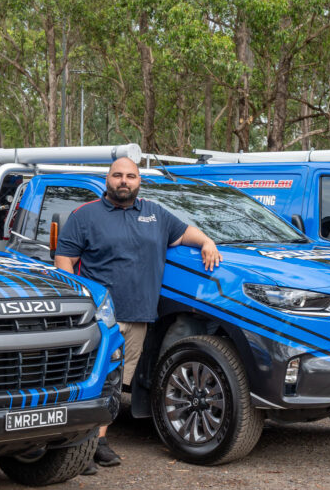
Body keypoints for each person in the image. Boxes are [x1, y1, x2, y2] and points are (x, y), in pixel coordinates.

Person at [54, 157, 222, 472]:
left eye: (130, 176)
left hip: (139, 316)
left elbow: (185, 232)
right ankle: (77, 446)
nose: (124, 181)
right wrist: (83, 305)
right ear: (107, 179)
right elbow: (64, 261)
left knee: (116, 383)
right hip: (101, 318)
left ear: (138, 181)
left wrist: (207, 242)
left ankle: (97, 442)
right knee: (91, 381)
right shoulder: (85, 215)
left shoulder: (155, 214)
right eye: (118, 175)